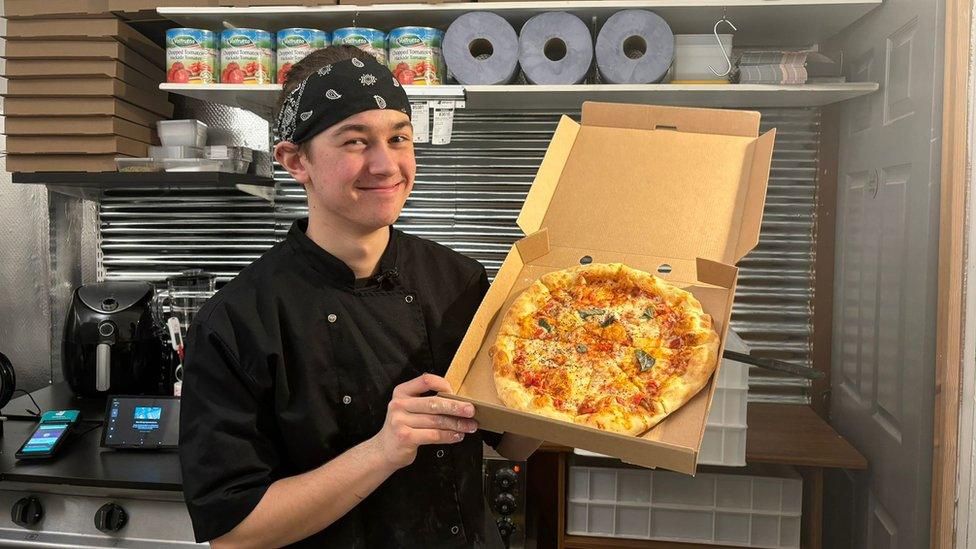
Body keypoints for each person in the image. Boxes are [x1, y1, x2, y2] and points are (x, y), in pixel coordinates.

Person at [178, 45, 541, 548]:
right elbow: (235, 532)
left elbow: (512, 442)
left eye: (399, 138)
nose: (386, 164)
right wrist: (384, 450)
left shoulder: (460, 281)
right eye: (355, 141)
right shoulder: (238, 320)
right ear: (294, 160)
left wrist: (567, 383)